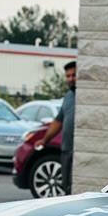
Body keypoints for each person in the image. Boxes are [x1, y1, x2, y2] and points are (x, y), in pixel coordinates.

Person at [36, 60, 77, 194]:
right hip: (66, 150)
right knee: (67, 187)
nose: (70, 79)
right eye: (68, 76)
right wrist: (45, 140)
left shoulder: (85, 96)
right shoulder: (68, 96)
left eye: (74, 75)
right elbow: (58, 121)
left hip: (79, 153)